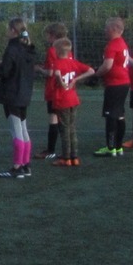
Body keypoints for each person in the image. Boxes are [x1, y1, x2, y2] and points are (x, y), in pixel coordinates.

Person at [0, 18, 36, 179]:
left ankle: (17, 167)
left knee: (16, 130)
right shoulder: (28, 48)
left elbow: (6, 71)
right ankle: (25, 165)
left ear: (13, 30)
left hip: (12, 93)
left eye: (8, 29)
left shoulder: (12, 49)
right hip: (24, 93)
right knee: (23, 129)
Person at [49, 37, 95, 167]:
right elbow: (91, 71)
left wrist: (61, 81)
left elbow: (57, 74)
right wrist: (76, 79)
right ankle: (75, 156)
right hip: (73, 98)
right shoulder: (73, 62)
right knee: (72, 128)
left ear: (57, 50)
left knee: (64, 129)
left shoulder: (57, 62)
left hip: (62, 99)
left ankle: (66, 157)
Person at [93, 18, 131, 158]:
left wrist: (96, 75)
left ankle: (111, 147)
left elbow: (107, 65)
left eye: (107, 28)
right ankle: (118, 146)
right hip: (124, 82)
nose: (105, 30)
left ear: (114, 29)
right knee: (120, 114)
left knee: (111, 116)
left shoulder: (113, 44)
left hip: (115, 83)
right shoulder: (122, 43)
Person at [34, 22, 68, 160]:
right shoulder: (67, 49)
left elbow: (51, 72)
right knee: (65, 120)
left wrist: (39, 69)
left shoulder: (53, 50)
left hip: (54, 89)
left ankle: (51, 150)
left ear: (53, 35)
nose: (47, 38)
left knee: (54, 118)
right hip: (66, 88)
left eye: (48, 35)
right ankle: (67, 151)